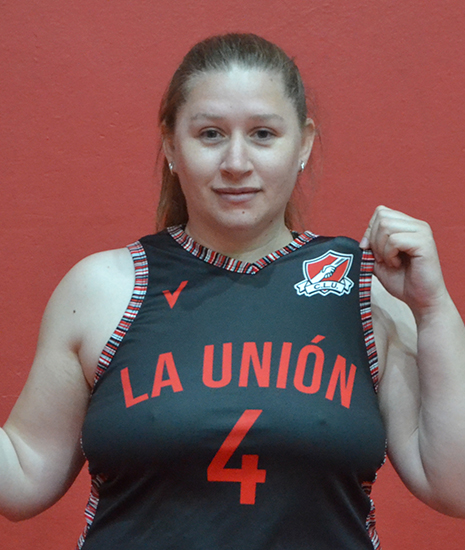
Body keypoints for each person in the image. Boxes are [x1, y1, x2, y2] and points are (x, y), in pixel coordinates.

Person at [1, 33, 464, 549]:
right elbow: (24, 472)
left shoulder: (366, 288)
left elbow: (455, 485)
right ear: (171, 145)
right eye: (211, 134)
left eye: (263, 134)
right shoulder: (103, 288)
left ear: (303, 143)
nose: (236, 162)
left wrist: (433, 310)